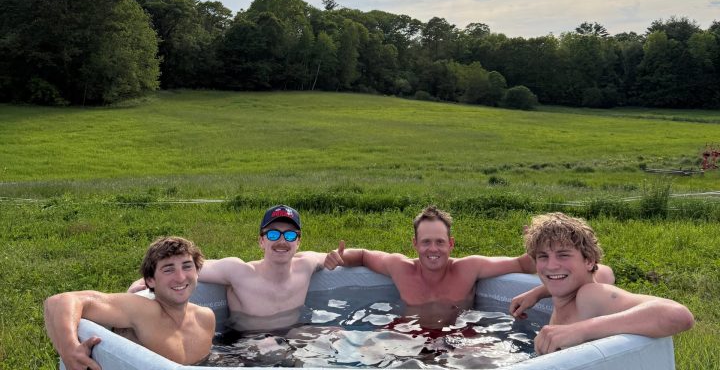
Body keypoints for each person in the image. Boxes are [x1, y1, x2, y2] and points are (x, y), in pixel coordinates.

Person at [324, 205, 575, 317]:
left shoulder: (469, 268)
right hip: (407, 335)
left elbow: (523, 264)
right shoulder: (399, 267)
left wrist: (538, 244)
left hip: (459, 337)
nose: (433, 249)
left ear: (451, 244)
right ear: (415, 245)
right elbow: (365, 256)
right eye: (426, 242)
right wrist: (342, 257)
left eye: (440, 242)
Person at [510, 212, 694, 355]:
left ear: (589, 261)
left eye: (563, 255)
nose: (551, 265)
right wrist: (539, 292)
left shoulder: (589, 296)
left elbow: (678, 315)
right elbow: (605, 271)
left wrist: (578, 330)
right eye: (543, 256)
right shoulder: (577, 291)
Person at [129, 204, 330, 330]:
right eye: (273, 234)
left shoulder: (306, 264)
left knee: (335, 336)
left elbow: (338, 256)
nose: (282, 241)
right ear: (261, 241)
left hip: (294, 337)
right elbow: (192, 267)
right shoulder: (237, 272)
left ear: (298, 242)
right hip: (246, 347)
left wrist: (362, 256)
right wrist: (144, 281)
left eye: (290, 235)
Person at [44, 236, 215, 370]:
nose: (180, 277)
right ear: (150, 280)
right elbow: (59, 301)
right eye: (168, 269)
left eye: (187, 266)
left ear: (197, 272)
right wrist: (69, 349)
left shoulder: (206, 317)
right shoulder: (142, 311)